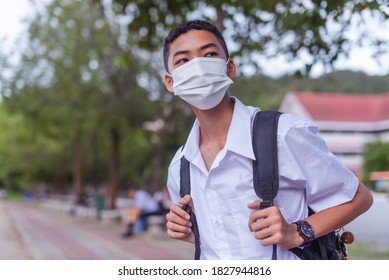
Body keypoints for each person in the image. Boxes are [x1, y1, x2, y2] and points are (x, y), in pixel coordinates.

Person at [163, 20, 373, 260]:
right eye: (183, 60)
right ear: (170, 82)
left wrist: (297, 232)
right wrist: (188, 231)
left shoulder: (283, 135)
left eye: (209, 54)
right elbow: (220, 237)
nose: (198, 67)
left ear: (229, 68)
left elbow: (359, 198)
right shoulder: (180, 166)